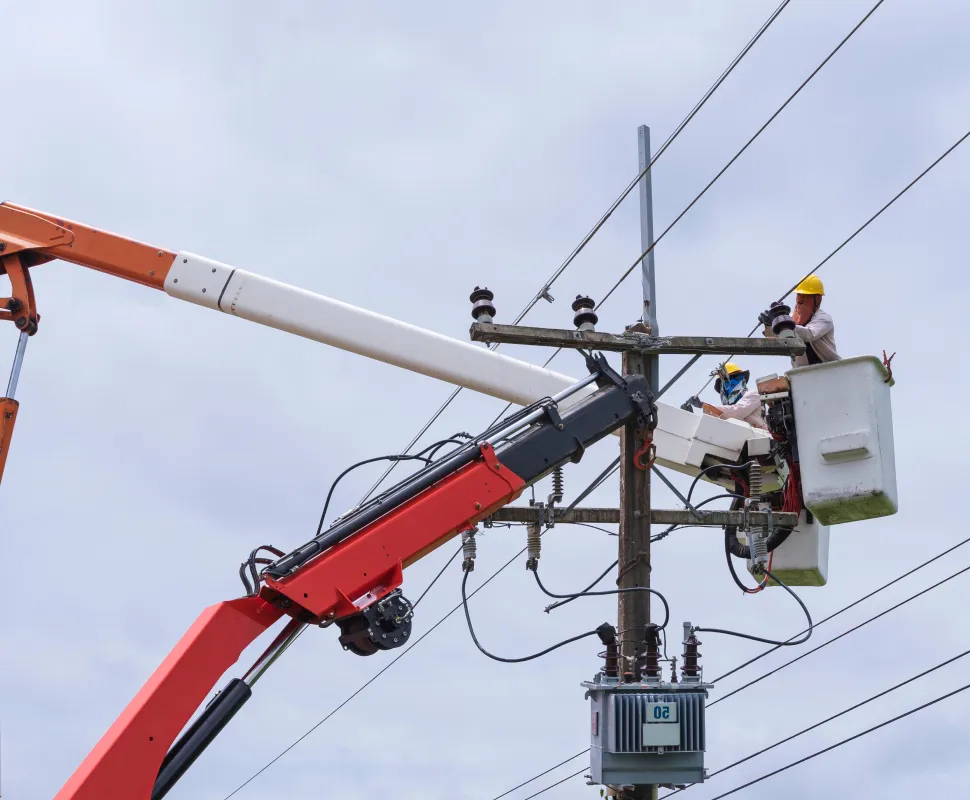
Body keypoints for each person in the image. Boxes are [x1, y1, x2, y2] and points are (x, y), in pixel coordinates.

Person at [765, 275, 840, 368]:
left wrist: (785, 324)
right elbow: (776, 339)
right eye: (799, 295)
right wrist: (770, 324)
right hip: (803, 372)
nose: (800, 300)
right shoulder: (790, 320)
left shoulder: (824, 319)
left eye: (805, 296)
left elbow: (809, 334)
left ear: (817, 299)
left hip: (830, 369)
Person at [683, 362, 767, 430]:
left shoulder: (753, 394)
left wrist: (703, 405)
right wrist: (690, 416)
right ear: (722, 387)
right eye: (727, 379)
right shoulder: (725, 411)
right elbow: (711, 427)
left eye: (736, 377)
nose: (733, 381)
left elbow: (737, 412)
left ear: (743, 379)